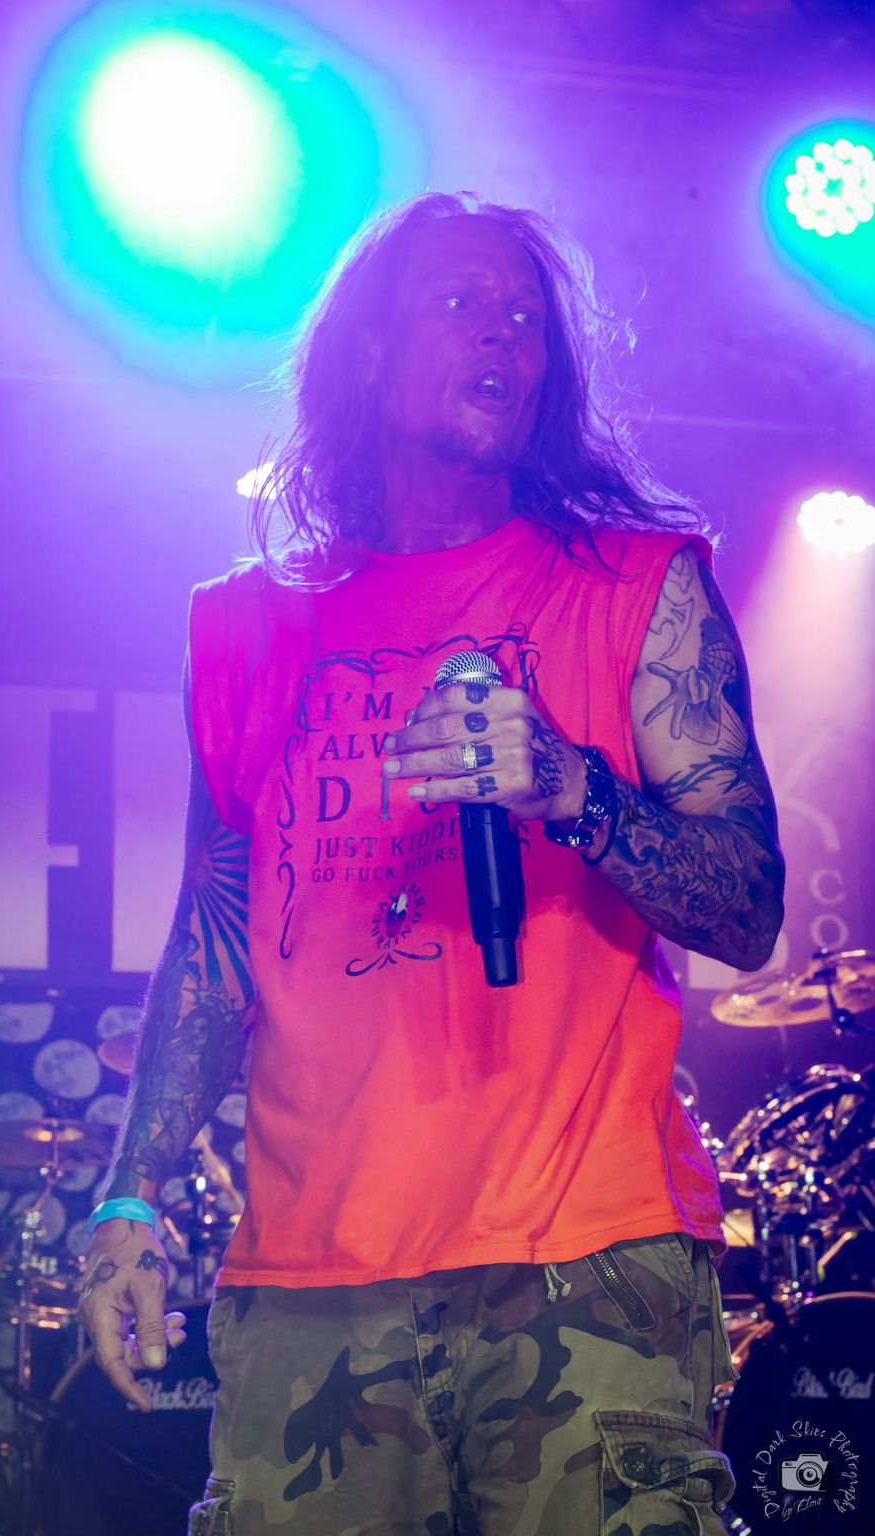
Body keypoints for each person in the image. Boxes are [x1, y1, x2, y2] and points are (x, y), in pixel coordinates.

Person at [78, 192, 784, 1535]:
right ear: (368, 350)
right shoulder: (248, 629)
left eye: (527, 318)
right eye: (464, 304)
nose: (506, 336)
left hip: (587, 1260)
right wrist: (129, 1194)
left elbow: (749, 905)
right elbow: (215, 934)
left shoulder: (639, 587)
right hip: (314, 1279)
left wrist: (571, 786)